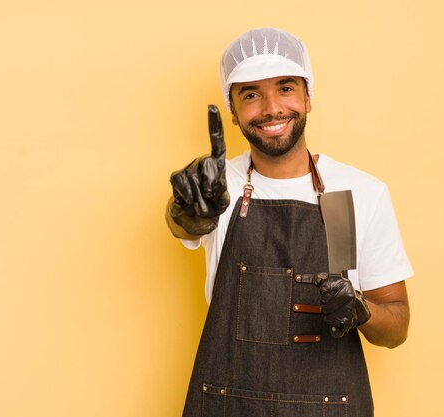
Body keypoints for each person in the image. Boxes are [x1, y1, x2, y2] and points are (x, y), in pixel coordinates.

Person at [167, 27, 413, 417]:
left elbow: (396, 326)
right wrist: (186, 212)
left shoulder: (351, 193)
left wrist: (361, 309)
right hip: (227, 404)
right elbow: (185, 223)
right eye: (250, 94)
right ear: (232, 110)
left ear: (308, 97)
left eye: (285, 88)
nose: (271, 108)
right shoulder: (219, 185)